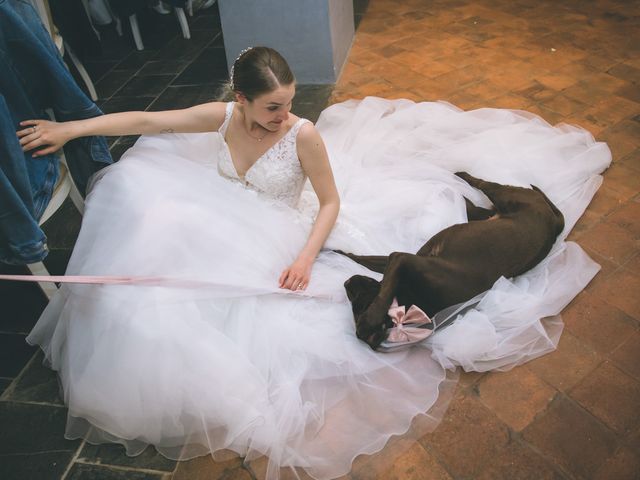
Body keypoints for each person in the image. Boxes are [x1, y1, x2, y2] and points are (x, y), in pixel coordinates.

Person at [19, 46, 611, 479]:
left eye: (289, 104)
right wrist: (71, 127)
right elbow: (147, 123)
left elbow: (329, 202)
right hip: (229, 210)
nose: (284, 116)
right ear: (242, 100)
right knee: (151, 209)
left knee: (226, 278)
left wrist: (306, 256)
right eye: (272, 108)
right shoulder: (222, 118)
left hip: (286, 227)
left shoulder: (303, 137)